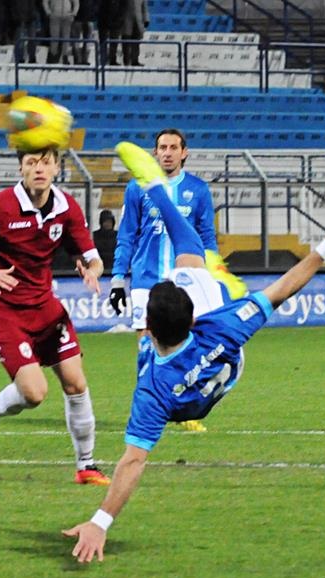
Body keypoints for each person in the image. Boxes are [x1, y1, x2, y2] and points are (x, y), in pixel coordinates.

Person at [63, 141, 325, 562]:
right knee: (196, 265)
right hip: (223, 365)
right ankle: (182, 226)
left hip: (176, 397)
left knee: (188, 267)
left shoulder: (150, 389)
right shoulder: (222, 328)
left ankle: (159, 195)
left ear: (147, 328)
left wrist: (100, 523)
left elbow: (133, 462)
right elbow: (285, 286)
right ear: (191, 322)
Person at [0, 146, 110, 486]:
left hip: (44, 304)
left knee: (75, 381)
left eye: (46, 162)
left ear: (57, 168)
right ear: (21, 169)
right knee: (33, 393)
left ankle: (86, 466)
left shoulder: (66, 208)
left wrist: (92, 270)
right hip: (2, 307)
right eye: (31, 162)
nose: (39, 169)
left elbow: (93, 256)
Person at [109, 129, 245, 432]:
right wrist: (118, 277)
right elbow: (127, 234)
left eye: (173, 147)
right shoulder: (136, 188)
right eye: (161, 147)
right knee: (146, 343)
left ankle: (186, 405)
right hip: (147, 278)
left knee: (189, 343)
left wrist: (215, 272)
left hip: (187, 279)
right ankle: (146, 405)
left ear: (184, 152)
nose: (167, 152)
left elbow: (207, 236)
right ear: (155, 152)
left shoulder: (197, 189)